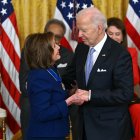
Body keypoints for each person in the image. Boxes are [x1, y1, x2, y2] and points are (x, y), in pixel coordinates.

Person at [62, 7, 134, 140]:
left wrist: (90, 95)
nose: (79, 35)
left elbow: (125, 93)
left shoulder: (119, 54)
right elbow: (69, 77)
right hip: (83, 126)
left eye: (84, 30)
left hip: (110, 129)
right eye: (79, 30)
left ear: (99, 29)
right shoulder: (82, 48)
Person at [19, 19, 74, 140]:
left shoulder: (50, 69)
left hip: (55, 131)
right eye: (55, 45)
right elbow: (42, 113)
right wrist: (69, 101)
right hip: (45, 134)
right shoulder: (40, 76)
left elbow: (55, 92)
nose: (59, 46)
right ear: (45, 51)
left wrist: (70, 93)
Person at [106, 17, 140, 140]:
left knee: (138, 111)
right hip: (106, 97)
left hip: (126, 97)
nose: (114, 37)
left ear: (122, 36)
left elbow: (135, 79)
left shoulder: (130, 52)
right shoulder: (97, 53)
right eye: (110, 34)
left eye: (117, 34)